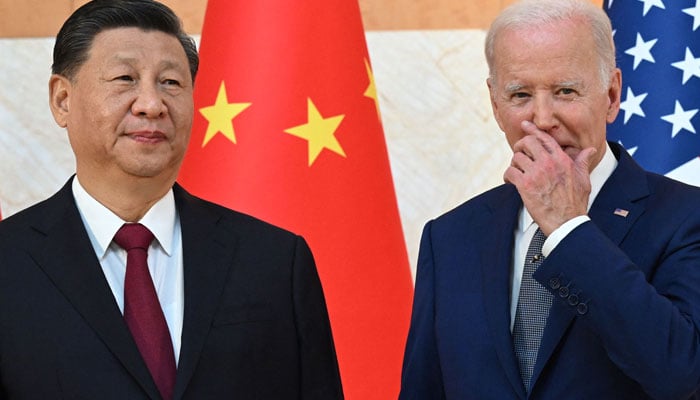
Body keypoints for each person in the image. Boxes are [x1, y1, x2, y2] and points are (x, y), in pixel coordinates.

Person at [0, 1, 343, 399]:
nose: (152, 104)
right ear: (62, 99)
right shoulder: (9, 263)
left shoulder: (275, 261)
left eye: (171, 83)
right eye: (125, 78)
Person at [399, 0, 700, 398]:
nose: (542, 119)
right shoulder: (450, 237)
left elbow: (683, 373)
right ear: (495, 104)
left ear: (611, 96)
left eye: (565, 91)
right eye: (520, 94)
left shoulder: (686, 217)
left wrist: (568, 229)